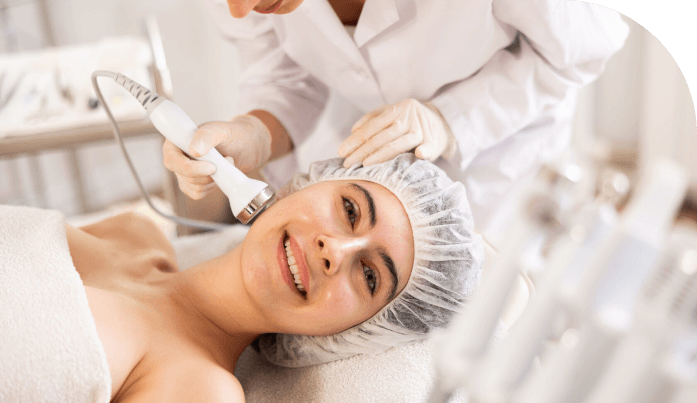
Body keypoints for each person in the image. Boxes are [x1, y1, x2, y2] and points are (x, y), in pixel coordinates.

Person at [1, 154, 483, 402]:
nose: (335, 250)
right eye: (351, 209)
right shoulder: (134, 232)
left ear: (355, 332)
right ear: (309, 182)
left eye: (371, 277)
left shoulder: (200, 390)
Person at [163, 0, 629, 242]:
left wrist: (452, 119)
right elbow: (286, 79)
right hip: (374, 146)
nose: (239, 10)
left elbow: (582, 53)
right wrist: (252, 135)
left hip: (503, 149)